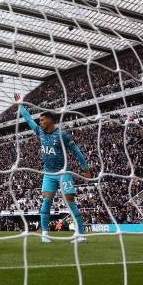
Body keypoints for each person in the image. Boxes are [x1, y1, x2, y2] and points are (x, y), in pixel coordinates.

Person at [15, 94, 93, 243]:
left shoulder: (62, 135)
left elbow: (76, 151)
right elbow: (29, 119)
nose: (40, 122)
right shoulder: (40, 132)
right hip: (48, 174)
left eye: (43, 120)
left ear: (50, 120)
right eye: (40, 120)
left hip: (64, 173)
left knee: (70, 201)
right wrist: (20, 104)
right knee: (46, 202)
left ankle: (81, 235)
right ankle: (45, 234)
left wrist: (85, 168)